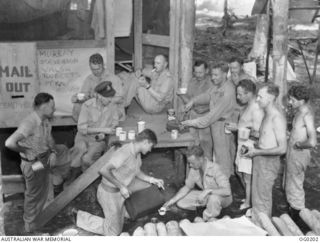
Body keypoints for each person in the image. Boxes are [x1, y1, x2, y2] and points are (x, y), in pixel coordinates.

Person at [72, 129, 164, 235]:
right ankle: (80, 217)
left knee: (147, 186)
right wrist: (121, 187)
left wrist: (152, 179)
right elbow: (104, 170)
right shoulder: (125, 152)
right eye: (151, 146)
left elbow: (137, 171)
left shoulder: (137, 153)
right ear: (145, 142)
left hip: (120, 193)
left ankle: (123, 212)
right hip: (109, 194)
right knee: (114, 232)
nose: (150, 150)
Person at [5, 93, 71, 233]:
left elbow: (49, 139)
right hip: (33, 163)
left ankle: (42, 218)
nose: (54, 110)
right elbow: (9, 142)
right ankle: (30, 227)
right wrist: (26, 151)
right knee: (34, 195)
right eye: (52, 107)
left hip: (43, 158)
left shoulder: (45, 120)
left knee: (46, 189)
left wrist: (53, 152)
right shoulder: (30, 123)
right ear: (44, 106)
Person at [182, 62, 237, 178]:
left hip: (223, 126)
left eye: (216, 75)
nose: (213, 78)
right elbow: (207, 95)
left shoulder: (227, 91)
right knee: (217, 154)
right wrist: (194, 101)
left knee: (222, 158)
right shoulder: (218, 85)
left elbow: (211, 116)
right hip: (216, 125)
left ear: (225, 74)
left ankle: (223, 186)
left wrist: (191, 123)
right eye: (212, 75)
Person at [243, 83, 287, 222]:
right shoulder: (266, 114)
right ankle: (257, 224)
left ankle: (264, 227)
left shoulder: (277, 118)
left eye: (260, 97)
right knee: (256, 196)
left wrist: (257, 152)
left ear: (271, 98)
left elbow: (282, 148)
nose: (257, 99)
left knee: (263, 198)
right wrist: (255, 140)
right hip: (259, 158)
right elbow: (267, 138)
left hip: (268, 162)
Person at [163, 145, 232, 221]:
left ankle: (208, 218)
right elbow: (187, 187)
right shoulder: (194, 169)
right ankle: (207, 206)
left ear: (201, 159)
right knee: (181, 202)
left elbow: (227, 191)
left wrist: (208, 191)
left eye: (192, 163)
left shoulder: (216, 168)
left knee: (213, 198)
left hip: (223, 198)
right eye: (189, 163)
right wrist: (171, 201)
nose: (190, 165)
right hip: (206, 195)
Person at [68, 81, 120, 181]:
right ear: (98, 96)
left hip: (98, 140)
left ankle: (90, 181)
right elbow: (82, 129)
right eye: (106, 97)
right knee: (78, 153)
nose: (109, 100)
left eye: (111, 96)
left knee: (87, 159)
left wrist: (108, 131)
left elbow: (115, 122)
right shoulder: (87, 105)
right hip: (83, 137)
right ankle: (73, 177)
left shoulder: (112, 105)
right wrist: (104, 129)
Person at [225, 79, 264, 210]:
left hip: (250, 146)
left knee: (247, 176)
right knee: (238, 171)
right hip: (242, 145)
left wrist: (238, 128)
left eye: (240, 94)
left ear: (249, 94)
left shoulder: (257, 109)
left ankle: (249, 202)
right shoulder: (248, 106)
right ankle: (250, 196)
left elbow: (259, 134)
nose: (238, 97)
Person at [285, 85, 316, 221]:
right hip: (293, 152)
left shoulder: (306, 114)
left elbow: (312, 141)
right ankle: (293, 211)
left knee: (295, 185)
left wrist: (299, 144)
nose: (290, 102)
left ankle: (296, 218)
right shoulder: (299, 111)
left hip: (299, 153)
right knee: (290, 183)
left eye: (292, 100)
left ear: (301, 100)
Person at [71, 53, 125, 121]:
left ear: (103, 65)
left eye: (98, 69)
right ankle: (85, 128)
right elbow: (85, 95)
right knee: (77, 106)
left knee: (107, 110)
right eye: (93, 69)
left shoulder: (113, 78)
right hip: (96, 109)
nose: (96, 72)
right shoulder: (89, 79)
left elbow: (121, 99)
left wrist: (105, 99)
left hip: (110, 107)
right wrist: (78, 98)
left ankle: (96, 127)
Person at [177, 60, 213, 159]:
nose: (198, 75)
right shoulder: (192, 81)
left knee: (206, 147)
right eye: (196, 72)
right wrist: (182, 96)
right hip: (193, 117)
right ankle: (193, 172)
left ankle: (207, 171)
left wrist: (206, 108)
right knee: (192, 145)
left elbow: (215, 102)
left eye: (200, 72)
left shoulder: (211, 83)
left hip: (206, 118)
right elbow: (189, 99)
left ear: (206, 70)